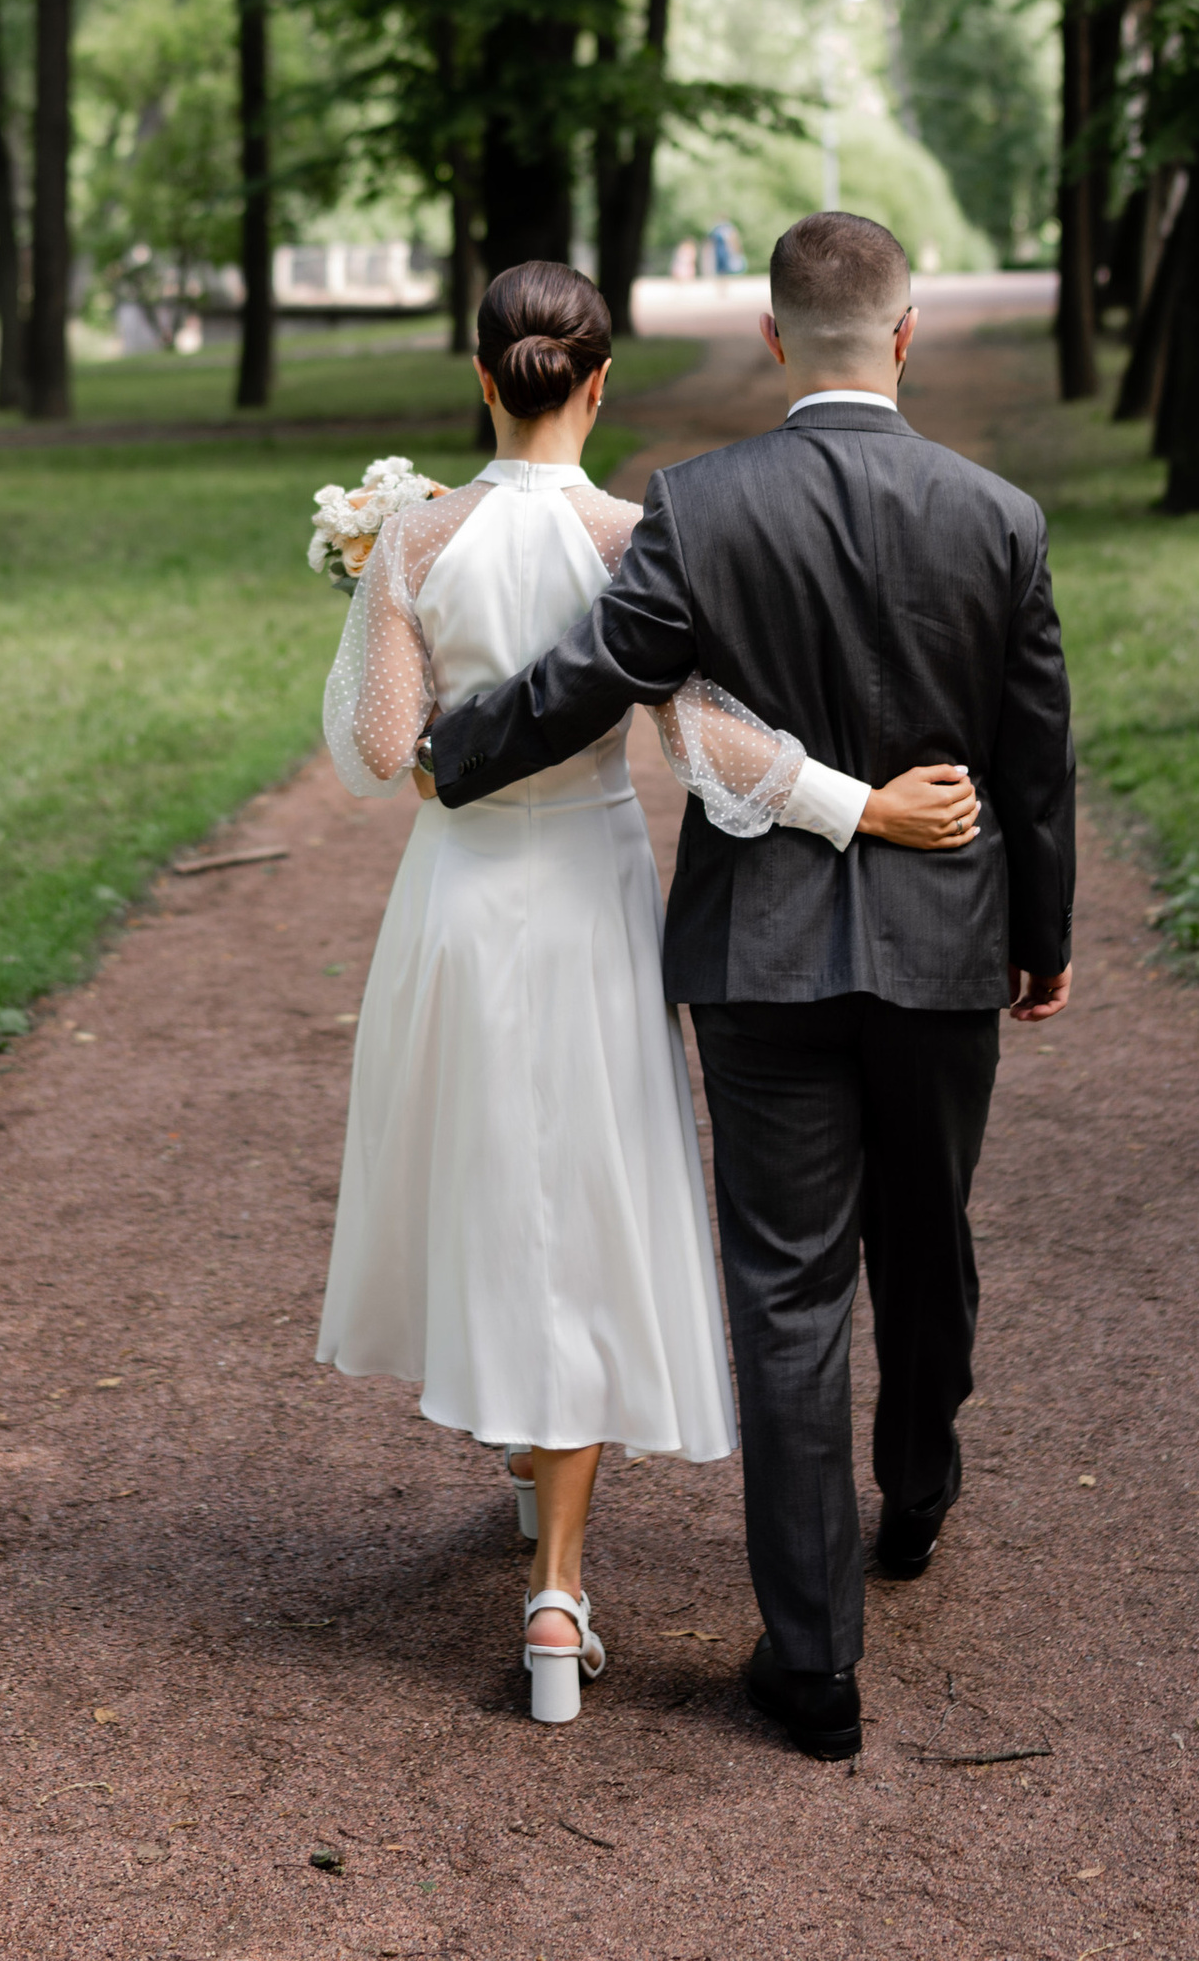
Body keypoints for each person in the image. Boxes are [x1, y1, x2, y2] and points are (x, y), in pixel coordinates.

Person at [427, 211, 1076, 1765]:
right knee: (931, 1237)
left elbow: (607, 670)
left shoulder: (703, 507)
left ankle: (812, 1664)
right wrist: (1040, 937)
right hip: (940, 952)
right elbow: (1036, 760)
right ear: (904, 338)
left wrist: (461, 749)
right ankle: (913, 1494)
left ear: (779, 342)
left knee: (784, 1289)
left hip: (762, 963)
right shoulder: (1001, 518)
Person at [315, 258, 969, 1724]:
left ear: (483, 377)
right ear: (597, 382)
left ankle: (523, 1472)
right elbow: (711, 741)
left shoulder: (414, 538)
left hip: (460, 900)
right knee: (580, 1196)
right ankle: (558, 1590)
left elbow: (381, 748)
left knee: (488, 1180)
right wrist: (868, 808)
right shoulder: (634, 537)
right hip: (593, 895)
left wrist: (381, 581)